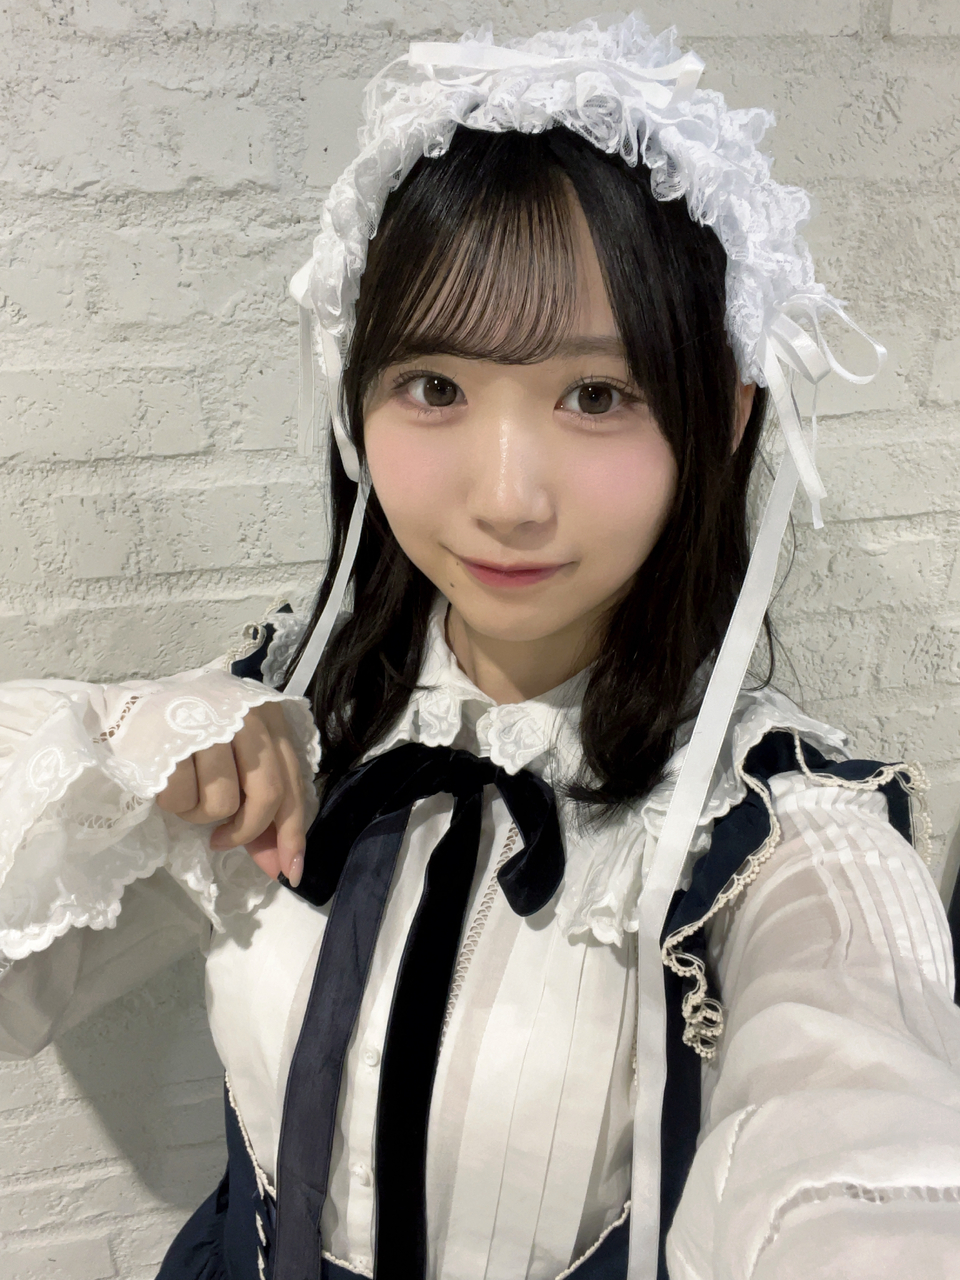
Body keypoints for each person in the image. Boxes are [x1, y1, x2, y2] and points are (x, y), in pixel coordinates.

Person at [2, 14, 960, 1280]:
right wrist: (125, 748)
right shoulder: (280, 723)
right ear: (354, 395)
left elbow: (866, 1136)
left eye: (597, 395)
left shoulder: (774, 841)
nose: (506, 498)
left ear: (722, 418)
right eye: (435, 387)